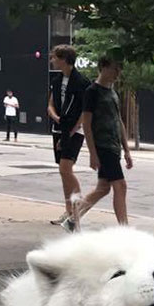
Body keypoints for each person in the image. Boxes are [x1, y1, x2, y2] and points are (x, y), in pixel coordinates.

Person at [61, 56, 133, 231]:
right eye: (115, 69)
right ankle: (124, 229)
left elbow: (119, 121)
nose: (118, 73)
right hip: (103, 146)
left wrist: (126, 149)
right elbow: (86, 122)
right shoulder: (92, 91)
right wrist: (93, 153)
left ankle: (72, 219)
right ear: (103, 67)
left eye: (119, 69)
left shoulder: (113, 93)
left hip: (114, 146)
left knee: (103, 188)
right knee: (120, 186)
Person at [47, 44, 90, 225]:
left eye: (54, 57)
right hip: (59, 128)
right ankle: (69, 210)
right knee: (63, 171)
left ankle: (78, 209)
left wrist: (71, 130)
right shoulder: (57, 80)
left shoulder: (81, 82)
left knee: (66, 168)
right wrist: (56, 117)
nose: (52, 60)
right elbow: (50, 104)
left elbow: (84, 111)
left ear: (64, 59)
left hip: (74, 130)